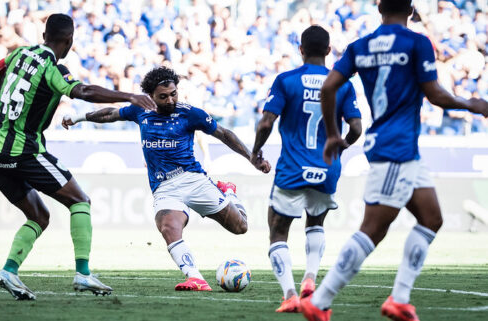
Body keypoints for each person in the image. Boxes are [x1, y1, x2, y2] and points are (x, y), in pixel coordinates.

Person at [300, 1, 488, 321]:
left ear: (379, 8)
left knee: (431, 218)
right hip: (395, 148)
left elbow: (329, 86)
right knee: (372, 230)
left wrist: (333, 133)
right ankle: (319, 300)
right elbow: (435, 94)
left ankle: (399, 299)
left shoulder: (361, 46)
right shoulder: (417, 42)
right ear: (412, 9)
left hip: (401, 149)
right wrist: (470, 103)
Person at [0, 13, 157, 301]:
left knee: (39, 215)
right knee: (80, 201)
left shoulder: (18, 54)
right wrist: (129, 96)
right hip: (23, 151)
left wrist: (14, 95)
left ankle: (9, 270)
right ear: (69, 40)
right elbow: (83, 90)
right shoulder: (54, 69)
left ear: (44, 35)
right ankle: (83, 273)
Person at [63, 66, 271, 291]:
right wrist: (77, 117)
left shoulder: (191, 113)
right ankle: (195, 278)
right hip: (164, 187)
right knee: (168, 227)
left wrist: (252, 157)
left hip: (192, 179)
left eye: (173, 94)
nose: (170, 100)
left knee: (240, 227)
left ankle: (228, 191)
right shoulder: (139, 110)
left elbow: (224, 134)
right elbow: (110, 115)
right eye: (163, 96)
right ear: (151, 96)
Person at [251, 25, 361, 313]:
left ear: (300, 49)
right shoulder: (343, 84)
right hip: (326, 167)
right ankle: (310, 279)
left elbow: (266, 123)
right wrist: (340, 146)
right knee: (316, 223)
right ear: (328, 50)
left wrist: (255, 151)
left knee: (278, 230)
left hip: (292, 168)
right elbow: (357, 127)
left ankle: (290, 294)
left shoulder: (286, 80)